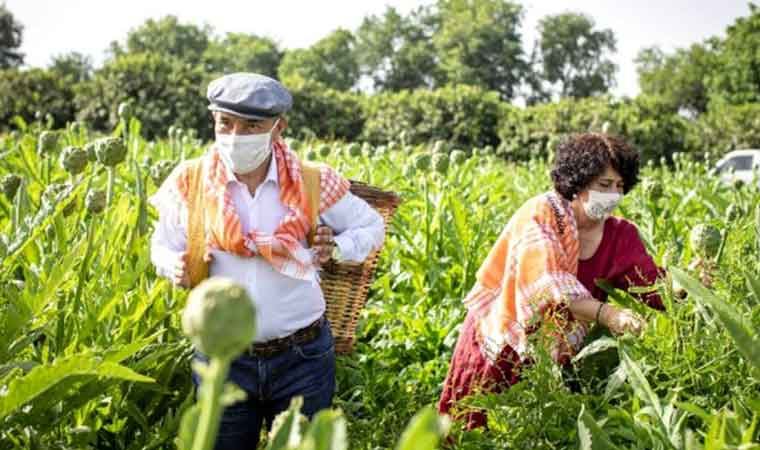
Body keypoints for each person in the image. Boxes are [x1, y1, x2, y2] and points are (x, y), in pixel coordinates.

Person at [149, 73, 385, 449]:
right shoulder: (191, 181)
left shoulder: (311, 181)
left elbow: (371, 226)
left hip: (303, 356)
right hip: (223, 361)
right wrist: (171, 263)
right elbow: (161, 244)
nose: (235, 135)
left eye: (252, 126)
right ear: (214, 121)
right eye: (225, 123)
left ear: (278, 128)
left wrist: (336, 247)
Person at [438, 133, 665, 429]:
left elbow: (651, 285)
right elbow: (547, 284)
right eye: (604, 185)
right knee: (471, 430)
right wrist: (608, 314)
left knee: (535, 431)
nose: (613, 195)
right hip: (499, 343)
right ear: (578, 183)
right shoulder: (543, 214)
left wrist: (692, 284)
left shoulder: (620, 235)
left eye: (620, 187)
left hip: (551, 362)